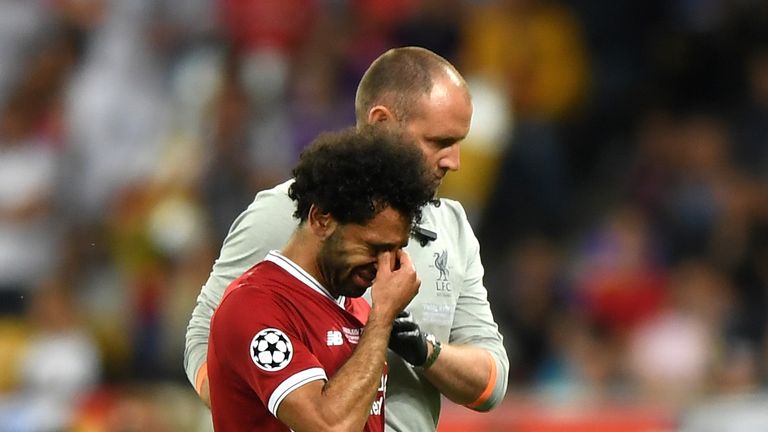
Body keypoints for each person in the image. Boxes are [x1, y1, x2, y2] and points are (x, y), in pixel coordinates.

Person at [186, 46, 510, 431]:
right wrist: (258, 406)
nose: (453, 161)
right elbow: (207, 337)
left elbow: (491, 384)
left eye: (459, 142)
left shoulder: (451, 228)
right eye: (438, 141)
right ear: (380, 122)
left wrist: (424, 350)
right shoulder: (290, 213)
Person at [207, 127, 436, 431]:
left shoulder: (358, 309)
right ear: (321, 219)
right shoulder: (253, 307)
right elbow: (328, 427)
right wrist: (381, 320)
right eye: (375, 247)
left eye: (396, 250)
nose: (386, 267)